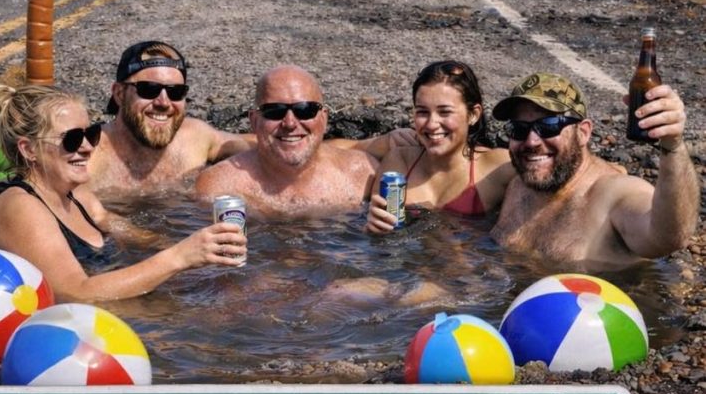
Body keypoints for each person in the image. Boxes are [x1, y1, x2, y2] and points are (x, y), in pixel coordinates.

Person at [0, 40, 254, 271]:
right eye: (148, 89)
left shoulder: (197, 137)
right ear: (118, 93)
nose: (163, 101)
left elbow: (263, 146)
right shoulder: (83, 156)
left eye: (175, 91)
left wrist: (179, 250)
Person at [0, 85, 246, 301]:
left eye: (90, 134)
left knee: (235, 294)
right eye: (71, 139)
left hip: (102, 307)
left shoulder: (77, 196)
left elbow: (124, 229)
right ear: (29, 149)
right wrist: (178, 257)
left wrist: (198, 251)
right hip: (58, 329)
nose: (88, 147)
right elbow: (74, 292)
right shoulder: (21, 208)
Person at [490, 72, 699, 266]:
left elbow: (670, 237)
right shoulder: (518, 182)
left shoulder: (613, 194)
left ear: (583, 132)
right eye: (518, 129)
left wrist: (673, 146)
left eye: (549, 126)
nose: (531, 141)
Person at [194, 65, 378, 215]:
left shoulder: (362, 175)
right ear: (254, 120)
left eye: (305, 110)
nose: (290, 123)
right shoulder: (218, 187)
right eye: (275, 111)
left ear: (324, 118)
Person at [366, 60, 514, 233]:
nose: (431, 124)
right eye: (422, 112)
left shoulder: (496, 166)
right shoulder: (400, 162)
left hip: (466, 258)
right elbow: (381, 241)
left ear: (473, 114)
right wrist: (372, 228)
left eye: (445, 112)